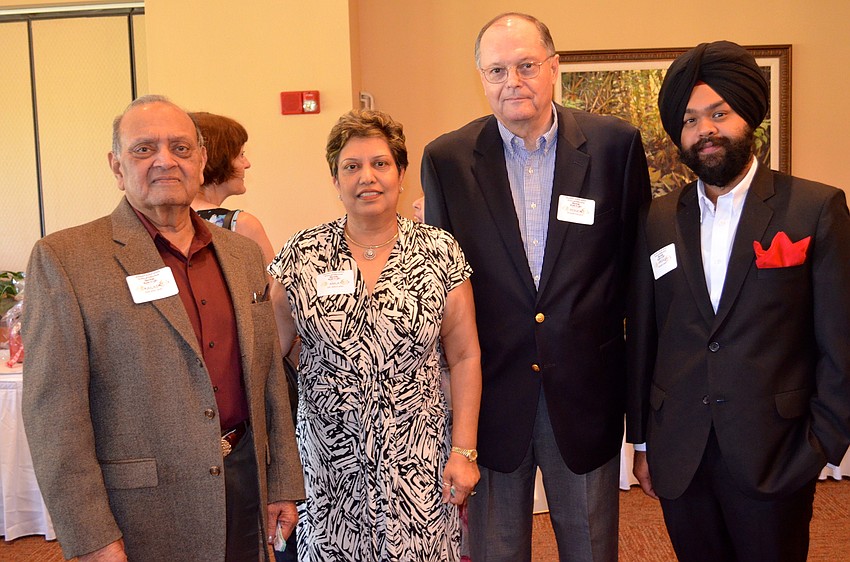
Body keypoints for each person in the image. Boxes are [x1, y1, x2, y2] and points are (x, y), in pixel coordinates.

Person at [21, 95, 304, 562]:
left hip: (244, 484)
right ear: (116, 166)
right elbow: (55, 418)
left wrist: (283, 482)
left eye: (180, 147)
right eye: (144, 149)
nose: (165, 161)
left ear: (201, 160)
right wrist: (91, 535)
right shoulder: (66, 259)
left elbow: (269, 378)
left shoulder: (241, 255)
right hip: (141, 508)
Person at [421, 12, 651, 562]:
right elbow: (438, 288)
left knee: (591, 549)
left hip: (586, 392)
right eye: (496, 70)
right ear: (480, 76)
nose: (512, 82)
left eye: (526, 66)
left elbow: (636, 282)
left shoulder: (615, 146)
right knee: (497, 550)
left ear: (553, 67)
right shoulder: (447, 160)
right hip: (492, 399)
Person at [626, 41, 850, 561]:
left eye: (719, 114)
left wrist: (822, 444)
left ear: (748, 117)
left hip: (775, 452)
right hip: (680, 450)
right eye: (689, 120)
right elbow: (645, 335)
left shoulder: (815, 208)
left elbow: (840, 339)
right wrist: (642, 442)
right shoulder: (657, 219)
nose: (705, 130)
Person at [268, 109, 482, 561]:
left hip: (418, 464)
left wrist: (464, 450)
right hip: (328, 468)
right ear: (335, 178)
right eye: (351, 166)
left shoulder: (439, 251)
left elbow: (464, 357)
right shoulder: (302, 255)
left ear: (401, 174)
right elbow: (270, 354)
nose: (367, 177)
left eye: (380, 164)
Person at [189, 111, 276, 265]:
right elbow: (270, 288)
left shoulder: (164, 222)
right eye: (241, 155)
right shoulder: (242, 225)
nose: (247, 164)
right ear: (218, 160)